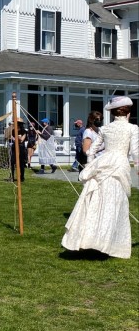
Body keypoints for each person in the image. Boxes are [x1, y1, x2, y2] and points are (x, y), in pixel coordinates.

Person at [62, 96, 139, 259]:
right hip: (119, 164)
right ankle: (106, 243)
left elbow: (91, 151)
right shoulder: (133, 128)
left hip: (104, 163)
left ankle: (92, 239)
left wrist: (91, 166)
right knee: (114, 204)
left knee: (98, 202)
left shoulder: (105, 129)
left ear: (112, 114)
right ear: (128, 113)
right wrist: (138, 168)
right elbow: (135, 152)